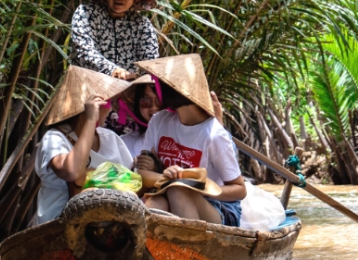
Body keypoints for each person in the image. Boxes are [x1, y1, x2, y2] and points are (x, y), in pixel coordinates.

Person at [133, 54, 246, 226]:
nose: (156, 89)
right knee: (156, 201)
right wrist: (166, 177)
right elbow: (142, 172)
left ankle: (190, 248)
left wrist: (201, 187)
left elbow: (240, 189)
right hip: (169, 193)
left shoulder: (214, 134)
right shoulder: (159, 121)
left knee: (178, 190)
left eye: (159, 85)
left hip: (219, 207)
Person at [34, 66, 133, 225]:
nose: (111, 109)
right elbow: (72, 172)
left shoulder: (110, 138)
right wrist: (89, 119)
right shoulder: (55, 138)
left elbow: (131, 179)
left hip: (112, 224)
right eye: (107, 102)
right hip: (60, 226)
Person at [69, 0, 159, 81]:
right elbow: (83, 51)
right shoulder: (86, 13)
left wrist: (137, 80)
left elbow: (150, 64)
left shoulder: (142, 25)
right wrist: (113, 71)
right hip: (89, 87)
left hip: (128, 91)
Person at [119, 76, 163, 157]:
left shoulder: (187, 140)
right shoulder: (123, 144)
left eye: (159, 100)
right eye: (145, 101)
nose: (153, 107)